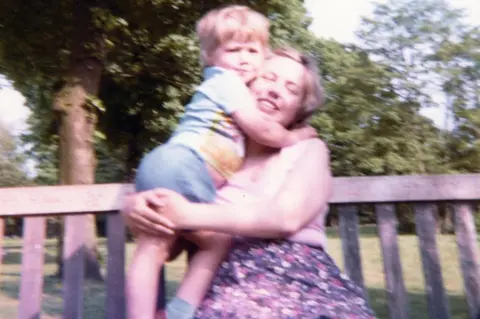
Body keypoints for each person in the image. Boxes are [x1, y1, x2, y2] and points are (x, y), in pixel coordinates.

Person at [124, 47, 376, 319]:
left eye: (291, 89)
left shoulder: (308, 150)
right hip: (225, 290)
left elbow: (285, 218)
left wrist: (185, 212)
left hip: (303, 285)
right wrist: (142, 210)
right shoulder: (210, 163)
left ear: (299, 110)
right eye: (268, 78)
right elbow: (169, 248)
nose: (276, 90)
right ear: (244, 83)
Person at [127, 5, 316, 319]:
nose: (244, 59)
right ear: (211, 57)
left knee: (154, 248)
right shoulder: (227, 84)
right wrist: (296, 137)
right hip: (184, 166)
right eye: (233, 49)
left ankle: (150, 313)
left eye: (253, 51)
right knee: (216, 242)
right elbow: (264, 129)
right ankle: (182, 309)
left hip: (169, 165)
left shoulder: (227, 91)